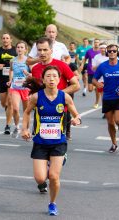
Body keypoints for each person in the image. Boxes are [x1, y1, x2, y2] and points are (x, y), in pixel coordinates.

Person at [21, 65, 81, 216]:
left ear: (59, 79)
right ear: (43, 79)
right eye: (48, 76)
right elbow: (27, 113)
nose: (51, 79)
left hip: (58, 142)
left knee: (54, 176)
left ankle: (52, 203)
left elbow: (76, 115)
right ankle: (50, 164)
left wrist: (76, 120)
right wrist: (25, 129)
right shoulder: (36, 97)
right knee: (41, 178)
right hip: (40, 142)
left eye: (54, 76)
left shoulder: (64, 97)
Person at [92, 44, 119, 153]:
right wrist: (97, 84)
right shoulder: (102, 66)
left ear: (117, 53)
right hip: (107, 97)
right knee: (110, 123)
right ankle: (114, 144)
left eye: (114, 51)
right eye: (110, 51)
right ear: (107, 53)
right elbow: (94, 79)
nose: (112, 53)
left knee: (118, 120)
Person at [6, 41, 31, 138]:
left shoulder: (28, 60)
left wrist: (27, 74)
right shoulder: (13, 60)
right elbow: (11, 70)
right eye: (18, 47)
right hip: (15, 87)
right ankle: (17, 127)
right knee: (15, 108)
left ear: (25, 49)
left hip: (26, 88)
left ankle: (27, 129)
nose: (20, 49)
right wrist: (10, 80)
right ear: (16, 49)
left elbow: (33, 74)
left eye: (22, 47)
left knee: (26, 110)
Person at [79, 38, 101, 108]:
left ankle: (97, 102)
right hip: (90, 71)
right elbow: (85, 59)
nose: (96, 43)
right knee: (90, 89)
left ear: (99, 43)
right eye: (95, 42)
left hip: (98, 72)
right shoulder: (89, 51)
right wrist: (82, 65)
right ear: (93, 43)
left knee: (97, 88)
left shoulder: (101, 52)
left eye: (98, 42)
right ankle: (95, 86)